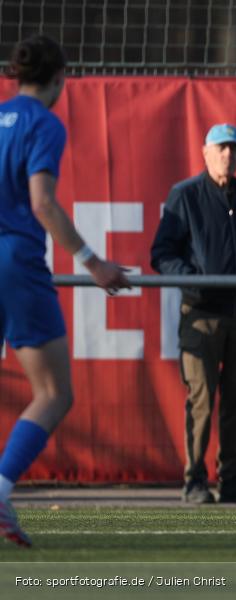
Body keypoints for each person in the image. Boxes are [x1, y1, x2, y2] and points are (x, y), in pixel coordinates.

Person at [0, 34, 130, 547]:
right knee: (54, 394)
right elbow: (42, 203)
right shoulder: (44, 123)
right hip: (15, 262)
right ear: (59, 79)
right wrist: (93, 262)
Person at [151, 123, 236, 504]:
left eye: (233, 149)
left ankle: (232, 479)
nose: (227, 155)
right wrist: (195, 283)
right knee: (201, 399)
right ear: (205, 152)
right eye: (220, 148)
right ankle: (194, 481)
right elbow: (162, 254)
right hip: (201, 315)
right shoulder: (185, 195)